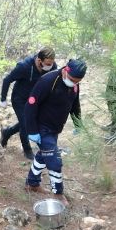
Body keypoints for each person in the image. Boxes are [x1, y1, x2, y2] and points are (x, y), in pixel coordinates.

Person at [24, 59, 87, 206]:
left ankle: (32, 183)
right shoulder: (47, 81)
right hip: (42, 127)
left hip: (55, 128)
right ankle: (58, 193)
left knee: (44, 154)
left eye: (77, 81)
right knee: (55, 161)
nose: (74, 83)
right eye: (72, 80)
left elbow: (75, 105)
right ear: (65, 70)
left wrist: (78, 124)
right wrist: (32, 130)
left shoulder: (75, 85)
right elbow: (30, 105)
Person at [0, 47, 58, 159]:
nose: (50, 66)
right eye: (47, 64)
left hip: (35, 99)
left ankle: (7, 133)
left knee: (28, 121)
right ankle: (27, 149)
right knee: (26, 124)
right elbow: (7, 80)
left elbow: (54, 81)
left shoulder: (52, 66)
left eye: (51, 63)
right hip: (19, 99)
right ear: (39, 60)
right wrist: (3, 99)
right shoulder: (24, 66)